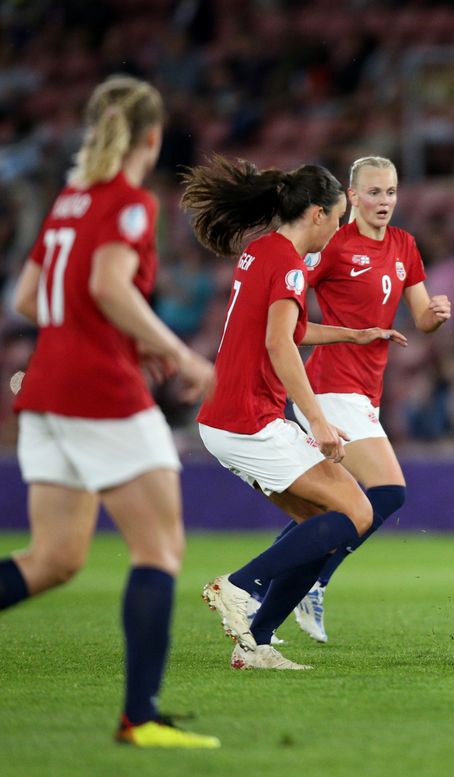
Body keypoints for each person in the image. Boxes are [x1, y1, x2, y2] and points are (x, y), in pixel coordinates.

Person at [0, 76, 219, 748]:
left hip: (44, 391)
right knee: (159, 547)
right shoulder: (129, 203)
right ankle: (140, 717)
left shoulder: (68, 201)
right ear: (152, 138)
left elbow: (29, 300)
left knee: (55, 557)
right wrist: (176, 354)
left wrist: (118, 334)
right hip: (100, 392)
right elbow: (106, 284)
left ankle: (141, 714)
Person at [181, 156, 406, 670]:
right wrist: (321, 424)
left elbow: (290, 330)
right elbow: (281, 345)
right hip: (249, 419)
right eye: (338, 214)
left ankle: (255, 644)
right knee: (358, 512)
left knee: (324, 525)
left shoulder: (262, 251)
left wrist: (352, 333)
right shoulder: (287, 262)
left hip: (226, 417)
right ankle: (239, 586)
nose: (341, 225)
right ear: (316, 214)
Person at [265, 156, 450, 643]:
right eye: (372, 192)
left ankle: (264, 591)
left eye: (390, 191)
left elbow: (421, 319)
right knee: (388, 492)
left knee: (330, 512)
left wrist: (436, 312)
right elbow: (289, 311)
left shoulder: (404, 245)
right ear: (351, 196)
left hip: (367, 391)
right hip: (329, 386)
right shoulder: (334, 245)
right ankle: (312, 581)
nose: (383, 201)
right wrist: (343, 333)